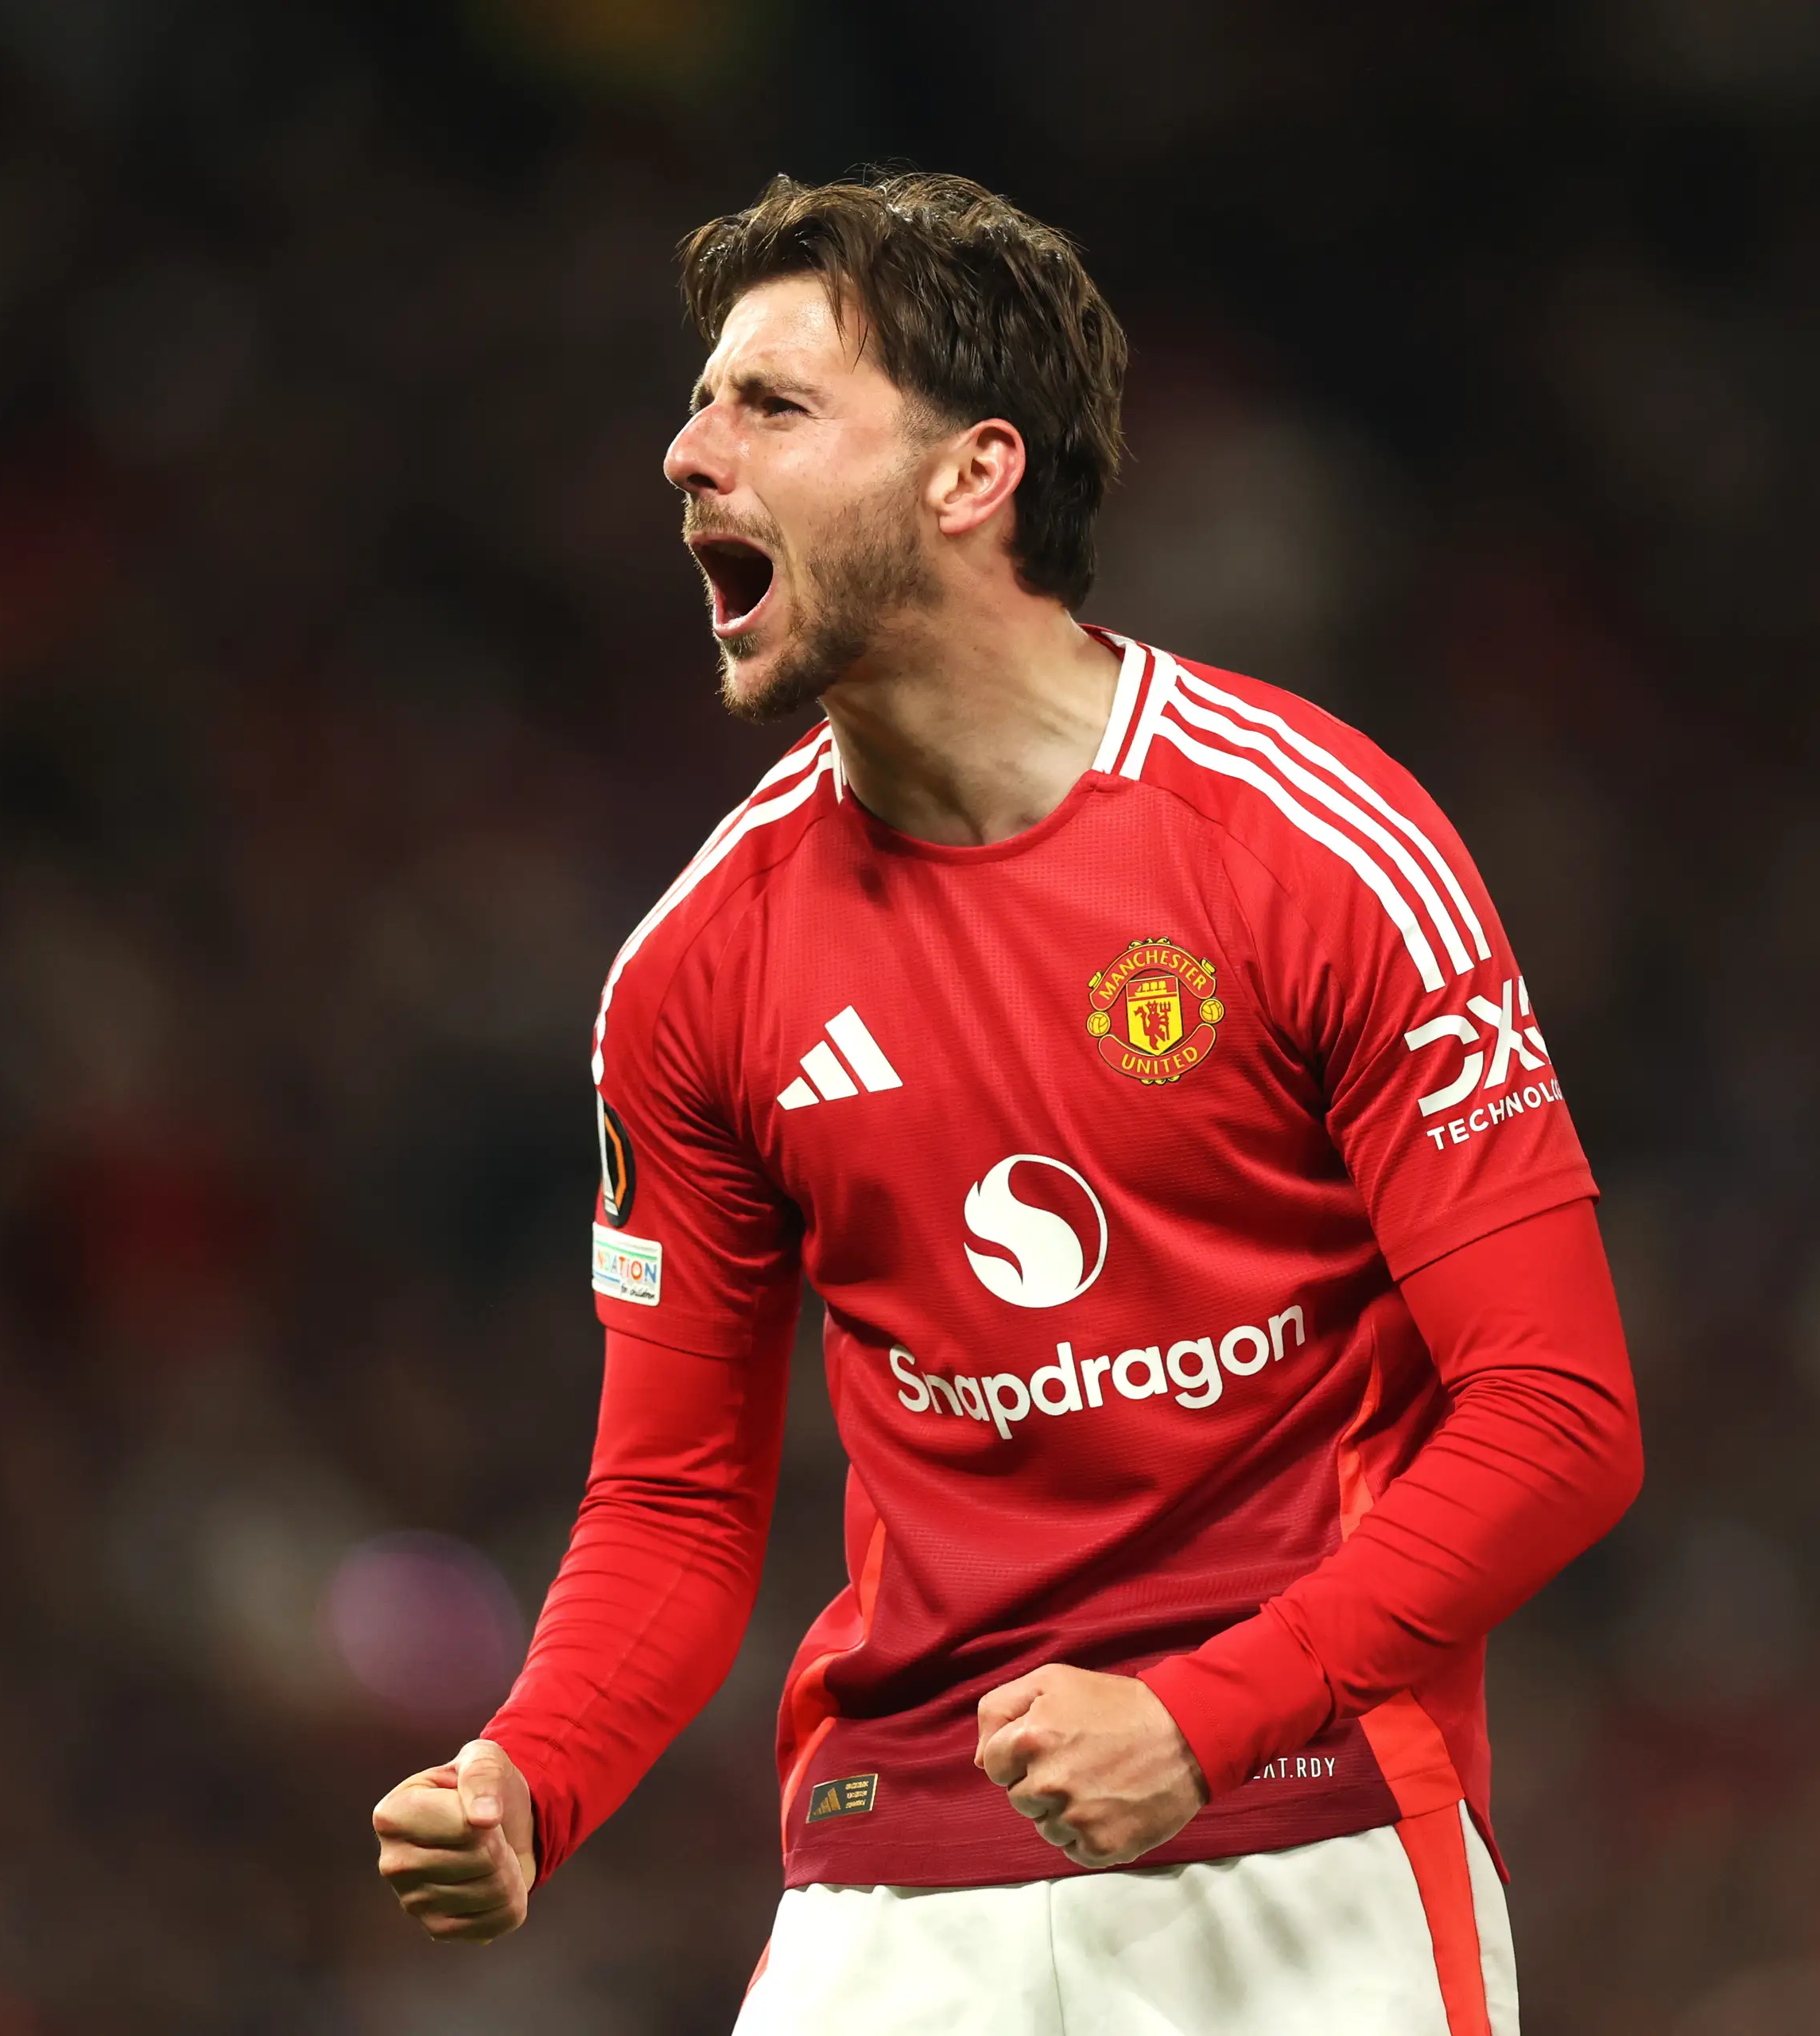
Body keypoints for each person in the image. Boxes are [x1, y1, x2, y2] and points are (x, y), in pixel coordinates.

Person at [371, 169, 1643, 2035]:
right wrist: (530, 1769)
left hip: (1303, 1843)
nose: (687, 454)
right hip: (892, 1883)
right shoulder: (695, 968)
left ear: (974, 474)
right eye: (701, 403)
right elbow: (675, 1497)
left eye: (772, 405)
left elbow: (1558, 1415)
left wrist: (1205, 1714)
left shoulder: (1315, 849)